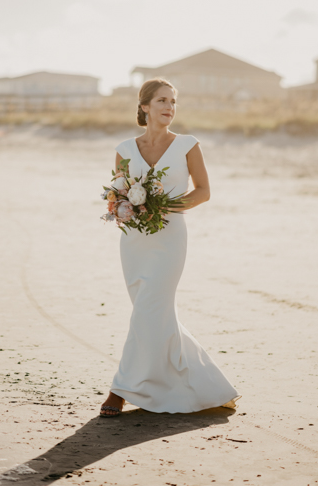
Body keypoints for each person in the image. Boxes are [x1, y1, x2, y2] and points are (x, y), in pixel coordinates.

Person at [99, 78, 240, 417]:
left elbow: (203, 191)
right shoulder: (124, 149)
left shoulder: (188, 144)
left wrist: (163, 206)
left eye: (173, 102)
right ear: (145, 106)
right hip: (134, 241)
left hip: (170, 239)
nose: (169, 108)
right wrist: (121, 207)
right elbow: (116, 193)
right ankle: (207, 385)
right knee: (154, 317)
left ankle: (119, 389)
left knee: (149, 310)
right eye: (162, 100)